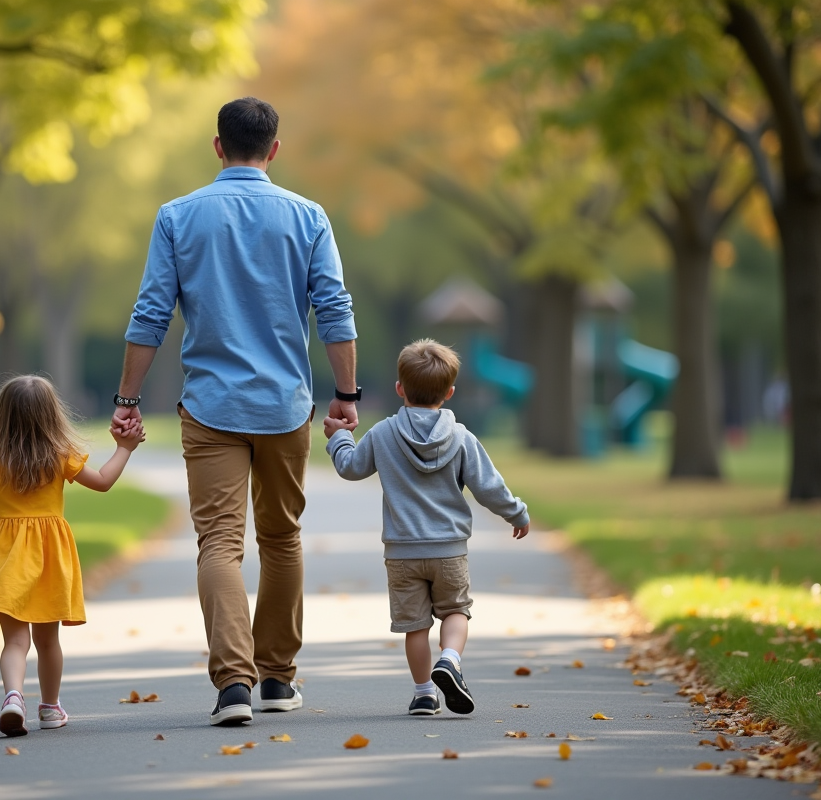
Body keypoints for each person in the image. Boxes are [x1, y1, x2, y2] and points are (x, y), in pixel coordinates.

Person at [112, 97, 359, 726]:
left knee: (218, 543)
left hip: (211, 405)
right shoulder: (308, 217)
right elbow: (334, 308)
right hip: (284, 406)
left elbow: (151, 314)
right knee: (281, 538)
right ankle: (277, 677)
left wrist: (126, 401)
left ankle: (234, 688)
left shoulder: (177, 216)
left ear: (217, 146)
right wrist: (347, 394)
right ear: (274, 150)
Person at [0, 375, 145, 736]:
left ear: (2, 417)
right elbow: (102, 481)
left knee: (16, 641)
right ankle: (50, 709)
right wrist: (125, 449)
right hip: (49, 557)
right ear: (52, 416)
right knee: (48, 640)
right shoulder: (60, 456)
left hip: (7, 558)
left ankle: (12, 697)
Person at [324, 340, 529, 716]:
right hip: (449, 550)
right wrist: (516, 513)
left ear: (400, 388)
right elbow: (489, 487)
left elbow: (351, 468)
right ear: (449, 393)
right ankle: (449, 659)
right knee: (456, 612)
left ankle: (423, 694)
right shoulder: (462, 438)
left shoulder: (384, 434)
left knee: (415, 625)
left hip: (402, 553)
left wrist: (338, 436)